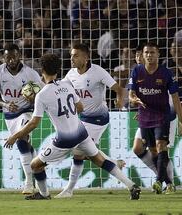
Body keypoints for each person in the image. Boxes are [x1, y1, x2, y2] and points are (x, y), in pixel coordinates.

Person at [4, 53, 141, 200]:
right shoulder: (67, 85)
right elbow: (81, 108)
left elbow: (33, 123)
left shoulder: (41, 95)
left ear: (42, 71)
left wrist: (15, 136)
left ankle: (44, 194)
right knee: (99, 159)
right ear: (58, 70)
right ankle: (131, 185)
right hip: (81, 132)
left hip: (64, 140)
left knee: (35, 165)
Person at [59, 43, 126, 198]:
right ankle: (114, 163)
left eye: (75, 55)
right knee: (87, 152)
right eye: (71, 55)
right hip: (82, 118)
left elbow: (119, 89)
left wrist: (120, 100)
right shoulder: (71, 74)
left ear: (86, 57)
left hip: (98, 118)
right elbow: (61, 89)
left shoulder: (98, 72)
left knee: (78, 152)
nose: (72, 58)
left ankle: (68, 190)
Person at [129, 42, 182, 195]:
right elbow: (131, 95)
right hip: (145, 117)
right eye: (147, 52)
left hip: (162, 115)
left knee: (161, 146)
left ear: (158, 55)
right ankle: (169, 183)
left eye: (153, 52)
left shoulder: (166, 73)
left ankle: (158, 181)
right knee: (153, 151)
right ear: (143, 55)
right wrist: (134, 100)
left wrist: (180, 120)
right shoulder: (137, 71)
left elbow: (176, 98)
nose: (149, 55)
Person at [0, 43, 44, 195]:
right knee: (26, 146)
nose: (11, 60)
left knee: (21, 140)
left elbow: (42, 94)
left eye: (14, 57)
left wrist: (33, 98)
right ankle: (39, 164)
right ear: (4, 58)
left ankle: (28, 183)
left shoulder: (30, 74)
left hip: (26, 111)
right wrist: (5, 104)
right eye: (8, 57)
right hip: (9, 114)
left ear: (19, 56)